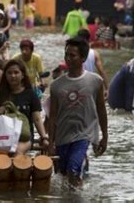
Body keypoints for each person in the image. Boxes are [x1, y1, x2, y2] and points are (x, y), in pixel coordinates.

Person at [47, 37, 108, 188]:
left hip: (84, 135)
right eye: (66, 54)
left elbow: (101, 109)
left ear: (83, 58)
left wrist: (104, 136)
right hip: (62, 136)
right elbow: (52, 116)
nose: (68, 58)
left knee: (73, 171)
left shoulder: (95, 81)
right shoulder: (56, 86)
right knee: (62, 176)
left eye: (72, 55)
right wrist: (50, 142)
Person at [0, 59, 49, 154]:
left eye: (16, 72)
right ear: (5, 75)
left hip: (24, 137)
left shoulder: (30, 94)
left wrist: (44, 137)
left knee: (16, 150)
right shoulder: (0, 95)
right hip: (2, 137)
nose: (13, 76)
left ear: (22, 75)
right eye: (9, 73)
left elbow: (37, 119)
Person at [77, 29, 110, 99]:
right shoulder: (94, 53)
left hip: (76, 85)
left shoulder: (72, 52)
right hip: (90, 85)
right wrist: (107, 88)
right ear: (88, 39)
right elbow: (101, 71)